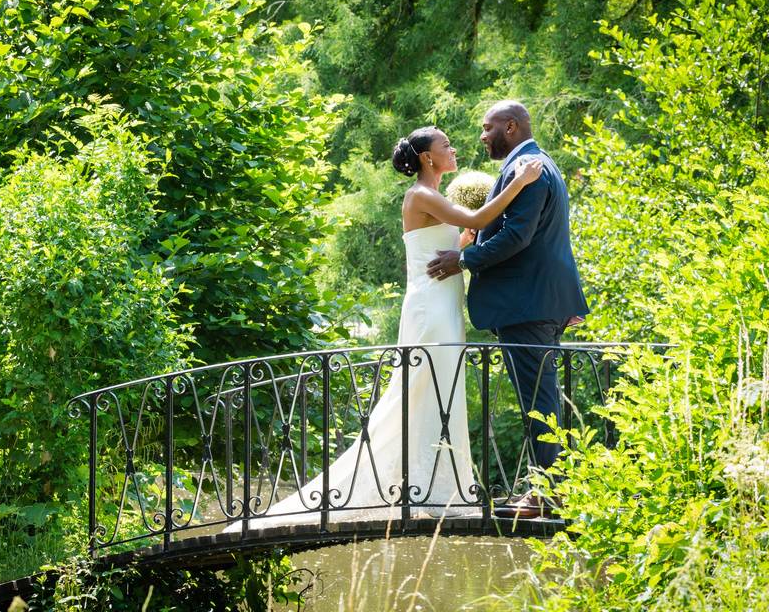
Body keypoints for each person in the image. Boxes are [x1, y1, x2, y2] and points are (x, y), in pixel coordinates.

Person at [224, 126, 542, 531]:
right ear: (428, 157)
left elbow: (461, 236)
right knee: (417, 391)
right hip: (431, 309)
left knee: (442, 390)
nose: (454, 148)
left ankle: (436, 485)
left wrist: (468, 240)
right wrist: (519, 182)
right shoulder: (420, 195)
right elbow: (480, 217)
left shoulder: (434, 197)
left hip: (445, 306)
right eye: (446, 145)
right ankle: (406, 484)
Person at [426, 100, 590, 518]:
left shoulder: (527, 170)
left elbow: (517, 237)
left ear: (511, 127)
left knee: (539, 398)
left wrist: (462, 261)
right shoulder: (537, 164)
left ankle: (548, 494)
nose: (482, 137)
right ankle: (548, 488)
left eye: (487, 128)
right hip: (536, 301)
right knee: (540, 395)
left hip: (528, 305)